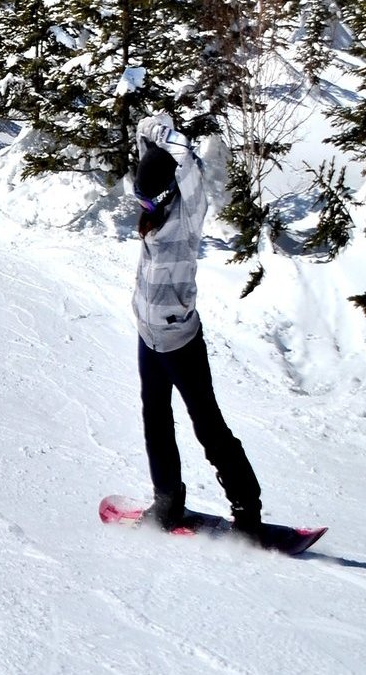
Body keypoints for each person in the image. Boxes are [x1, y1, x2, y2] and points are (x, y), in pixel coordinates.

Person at [131, 111, 264, 538]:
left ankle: (247, 512)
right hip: (148, 335)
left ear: (170, 193)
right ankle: (167, 502)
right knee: (155, 417)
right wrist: (153, 134)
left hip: (180, 338)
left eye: (151, 200)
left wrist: (171, 137)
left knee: (207, 425)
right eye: (142, 202)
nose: (146, 209)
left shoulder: (188, 212)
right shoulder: (156, 200)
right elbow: (144, 136)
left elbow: (184, 160)